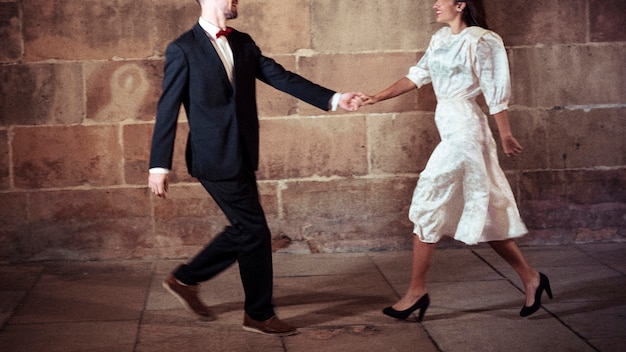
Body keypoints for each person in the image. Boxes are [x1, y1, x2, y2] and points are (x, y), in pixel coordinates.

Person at [148, 0, 363, 336]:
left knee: (246, 228)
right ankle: (258, 314)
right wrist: (159, 165)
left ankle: (186, 279)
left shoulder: (243, 42)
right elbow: (168, 107)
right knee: (255, 231)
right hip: (212, 157)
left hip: (243, 152)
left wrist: (335, 98)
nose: (236, 0)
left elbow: (282, 78)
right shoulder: (182, 49)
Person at [360, 0, 552, 320]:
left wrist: (504, 133)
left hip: (466, 132)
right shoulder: (440, 40)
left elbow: (495, 89)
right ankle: (531, 277)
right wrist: (376, 96)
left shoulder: (482, 39)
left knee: (427, 202)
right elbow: (417, 76)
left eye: (441, 0)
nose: (434, 5)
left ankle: (416, 291)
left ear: (460, 4)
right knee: (486, 215)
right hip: (450, 129)